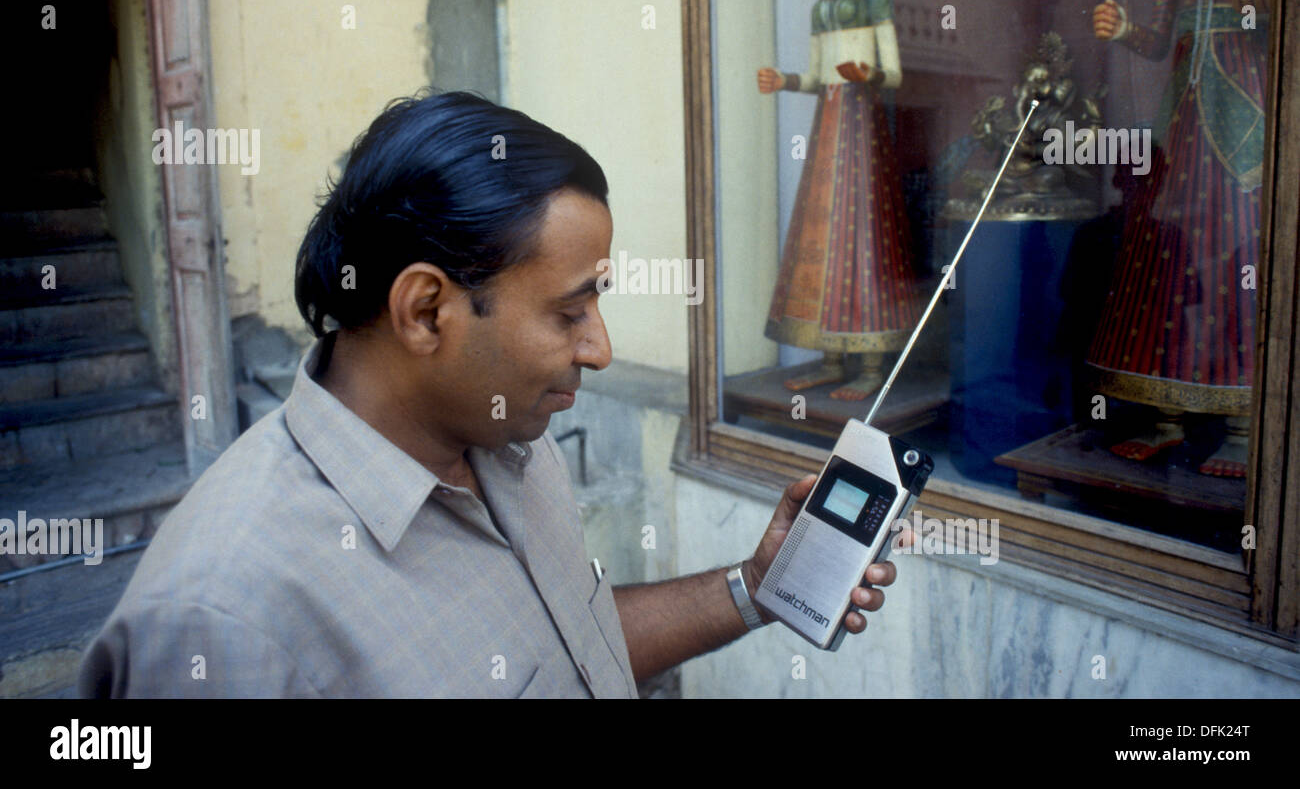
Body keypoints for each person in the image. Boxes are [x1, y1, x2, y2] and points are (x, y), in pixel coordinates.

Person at [78, 91, 908, 698]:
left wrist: (754, 583)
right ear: (426, 310)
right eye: (569, 310)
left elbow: (564, 644)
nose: (601, 348)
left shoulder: (509, 438)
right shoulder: (222, 621)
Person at [1087, 0, 1275, 477]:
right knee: (1169, 254)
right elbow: (1161, 37)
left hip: (1241, 103)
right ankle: (1168, 418)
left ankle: (1243, 429)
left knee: (1237, 252)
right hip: (1183, 112)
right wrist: (1123, 31)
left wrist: (1256, 12)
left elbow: (1275, 26)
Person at [758, 0, 921, 402]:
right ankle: (829, 358)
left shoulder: (873, 0)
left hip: (861, 125)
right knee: (823, 230)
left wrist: (865, 74)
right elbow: (816, 77)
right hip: (829, 124)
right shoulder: (821, 4)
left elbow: (893, 73)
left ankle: (870, 363)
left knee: (863, 233)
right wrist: (786, 81)